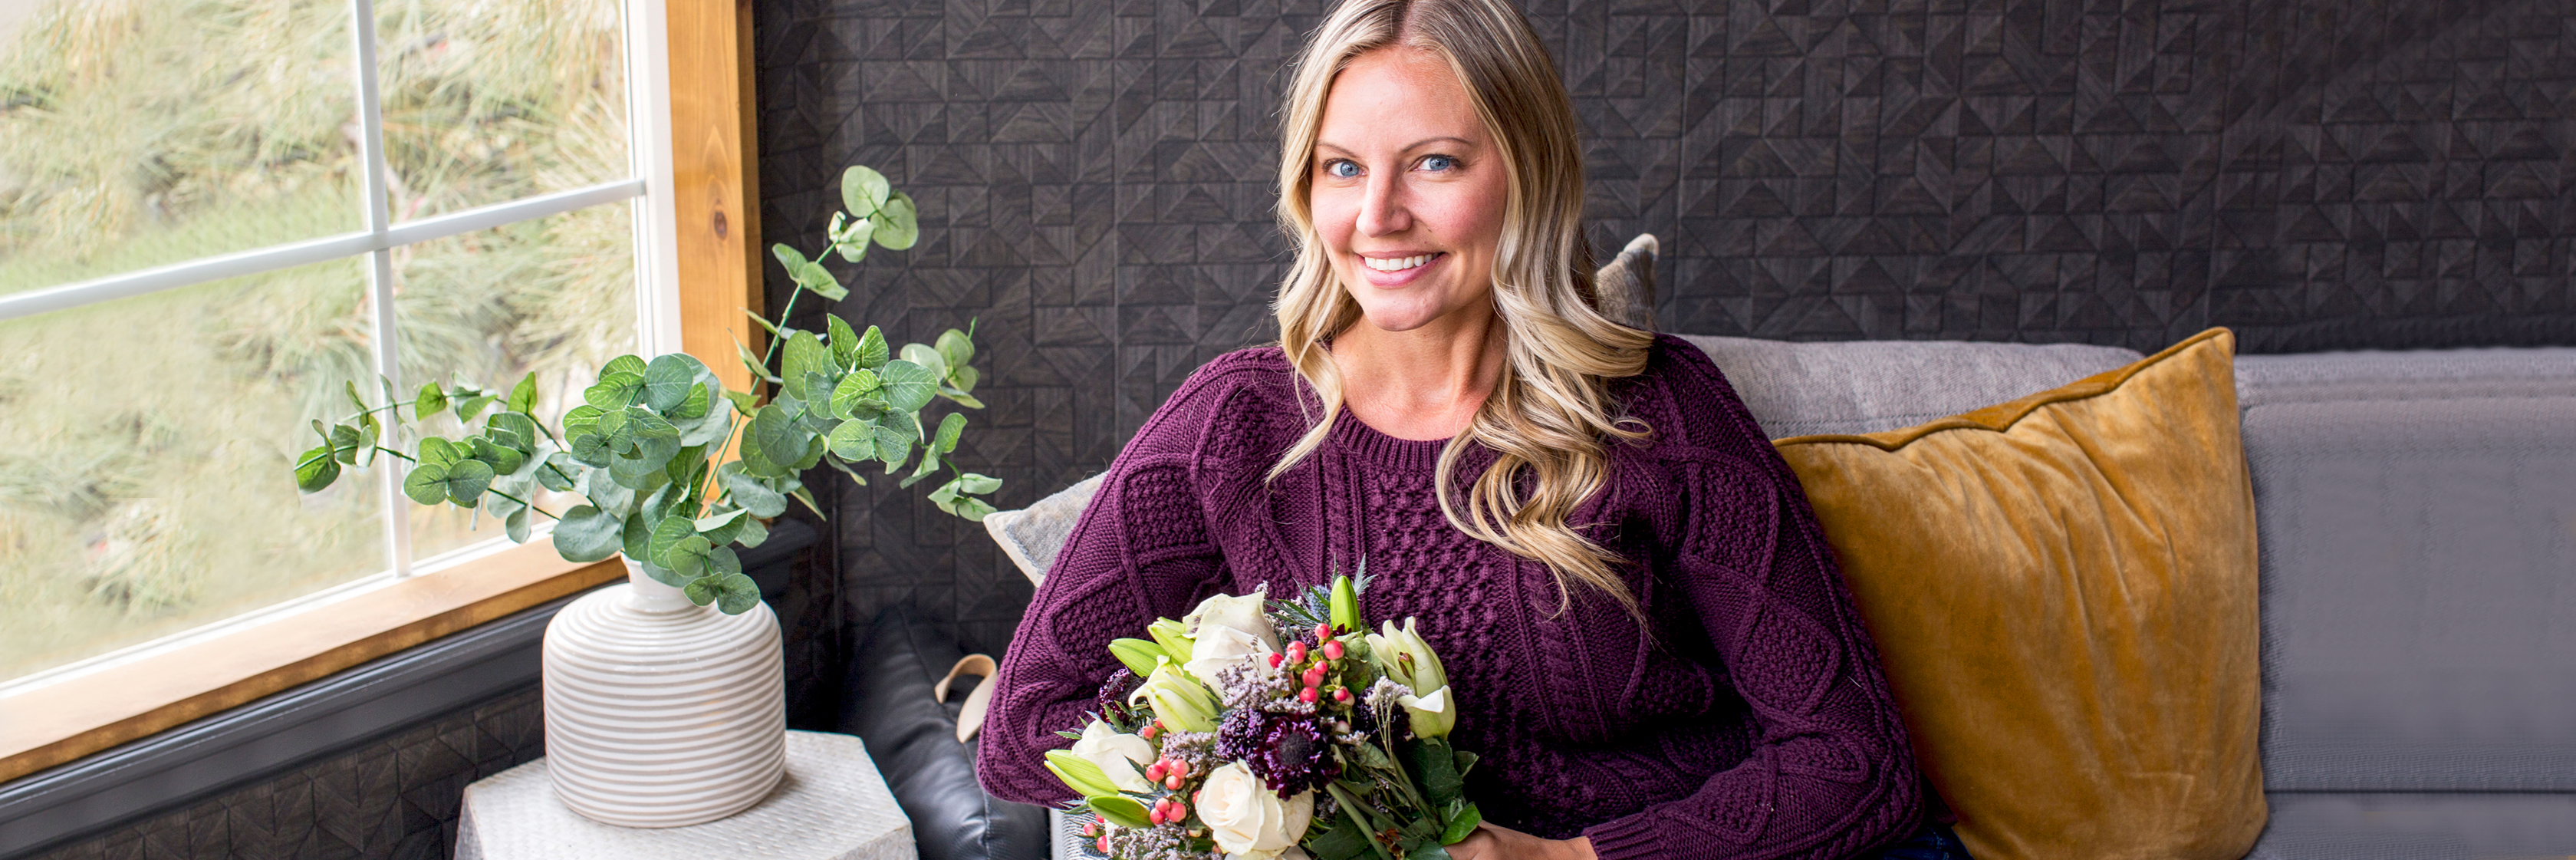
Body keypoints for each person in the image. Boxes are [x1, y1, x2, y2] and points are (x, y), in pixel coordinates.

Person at [979, 0, 1966, 857]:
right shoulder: (1238, 426)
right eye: (1341, 167)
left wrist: (1569, 857)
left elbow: (1855, 762)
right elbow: (1027, 726)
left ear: (1525, 173)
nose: (1377, 215)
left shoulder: (1655, 409)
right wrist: (1268, 777)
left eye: (1434, 163)